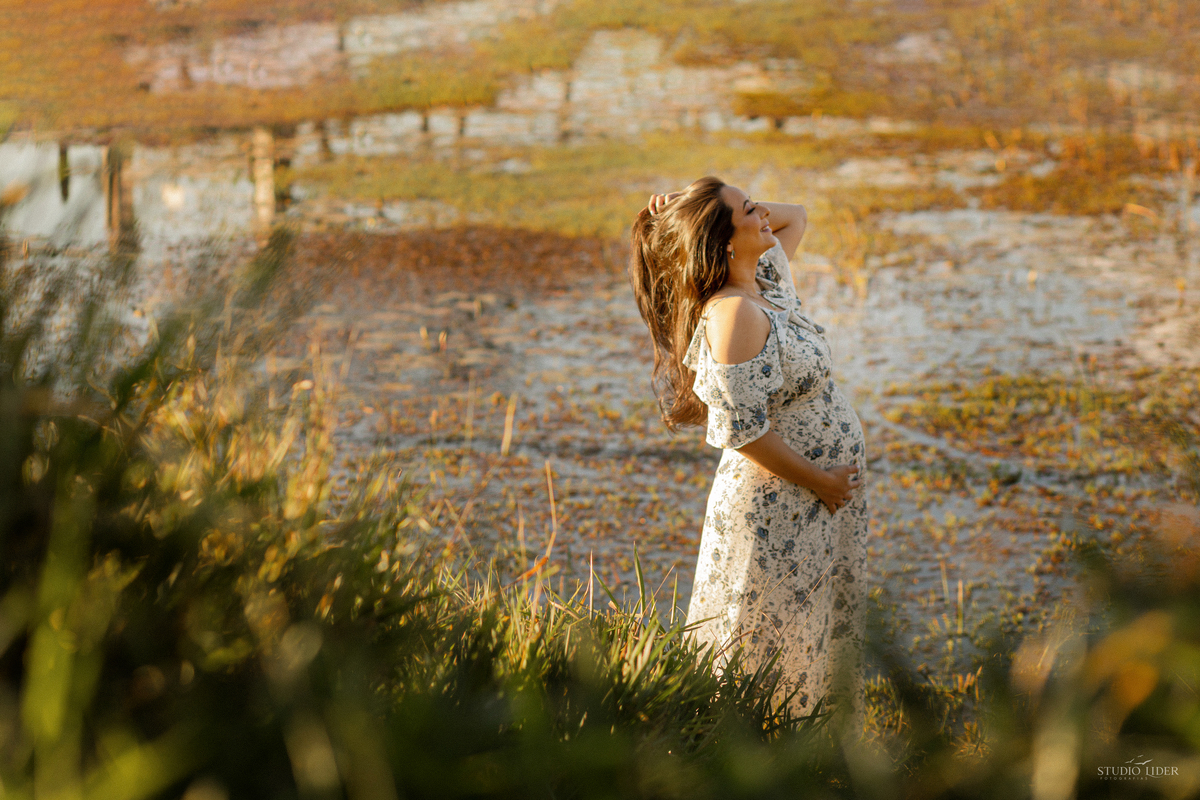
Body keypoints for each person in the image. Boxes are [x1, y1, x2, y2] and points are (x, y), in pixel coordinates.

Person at [628, 175, 867, 721]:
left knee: (808, 634)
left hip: (812, 502)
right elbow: (742, 431)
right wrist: (822, 481)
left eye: (756, 204)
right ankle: (739, 747)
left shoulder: (765, 281)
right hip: (777, 509)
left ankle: (804, 746)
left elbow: (796, 214)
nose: (764, 214)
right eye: (749, 210)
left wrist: (693, 205)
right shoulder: (733, 314)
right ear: (724, 242)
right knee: (758, 640)